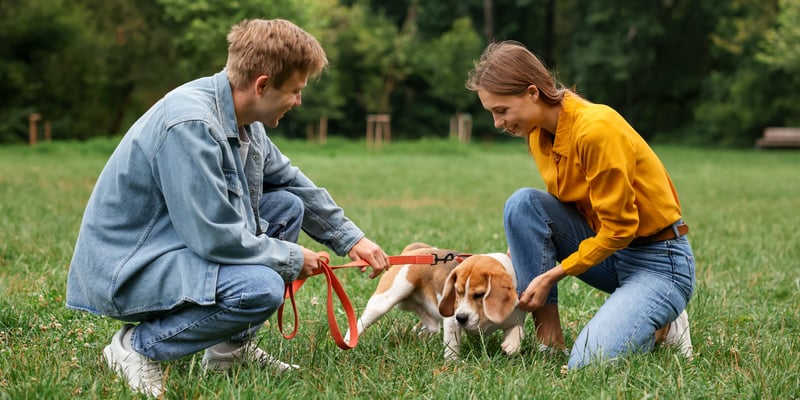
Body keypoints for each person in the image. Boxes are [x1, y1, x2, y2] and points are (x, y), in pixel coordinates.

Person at [66, 18, 390, 396]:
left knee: (285, 206)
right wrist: (289, 257)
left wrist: (352, 240)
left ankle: (228, 351)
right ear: (262, 85)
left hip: (173, 250)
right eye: (295, 91)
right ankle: (135, 348)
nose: (299, 101)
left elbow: (291, 183)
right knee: (261, 286)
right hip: (131, 268)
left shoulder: (245, 121)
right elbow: (214, 236)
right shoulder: (191, 124)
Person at [465, 41, 696, 369]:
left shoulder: (595, 130)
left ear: (532, 93)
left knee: (589, 362)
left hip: (659, 262)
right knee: (522, 204)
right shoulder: (538, 133)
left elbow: (620, 229)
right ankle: (550, 343)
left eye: (501, 110)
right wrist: (519, 248)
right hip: (613, 255)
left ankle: (662, 322)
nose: (497, 123)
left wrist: (551, 275)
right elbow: (557, 210)